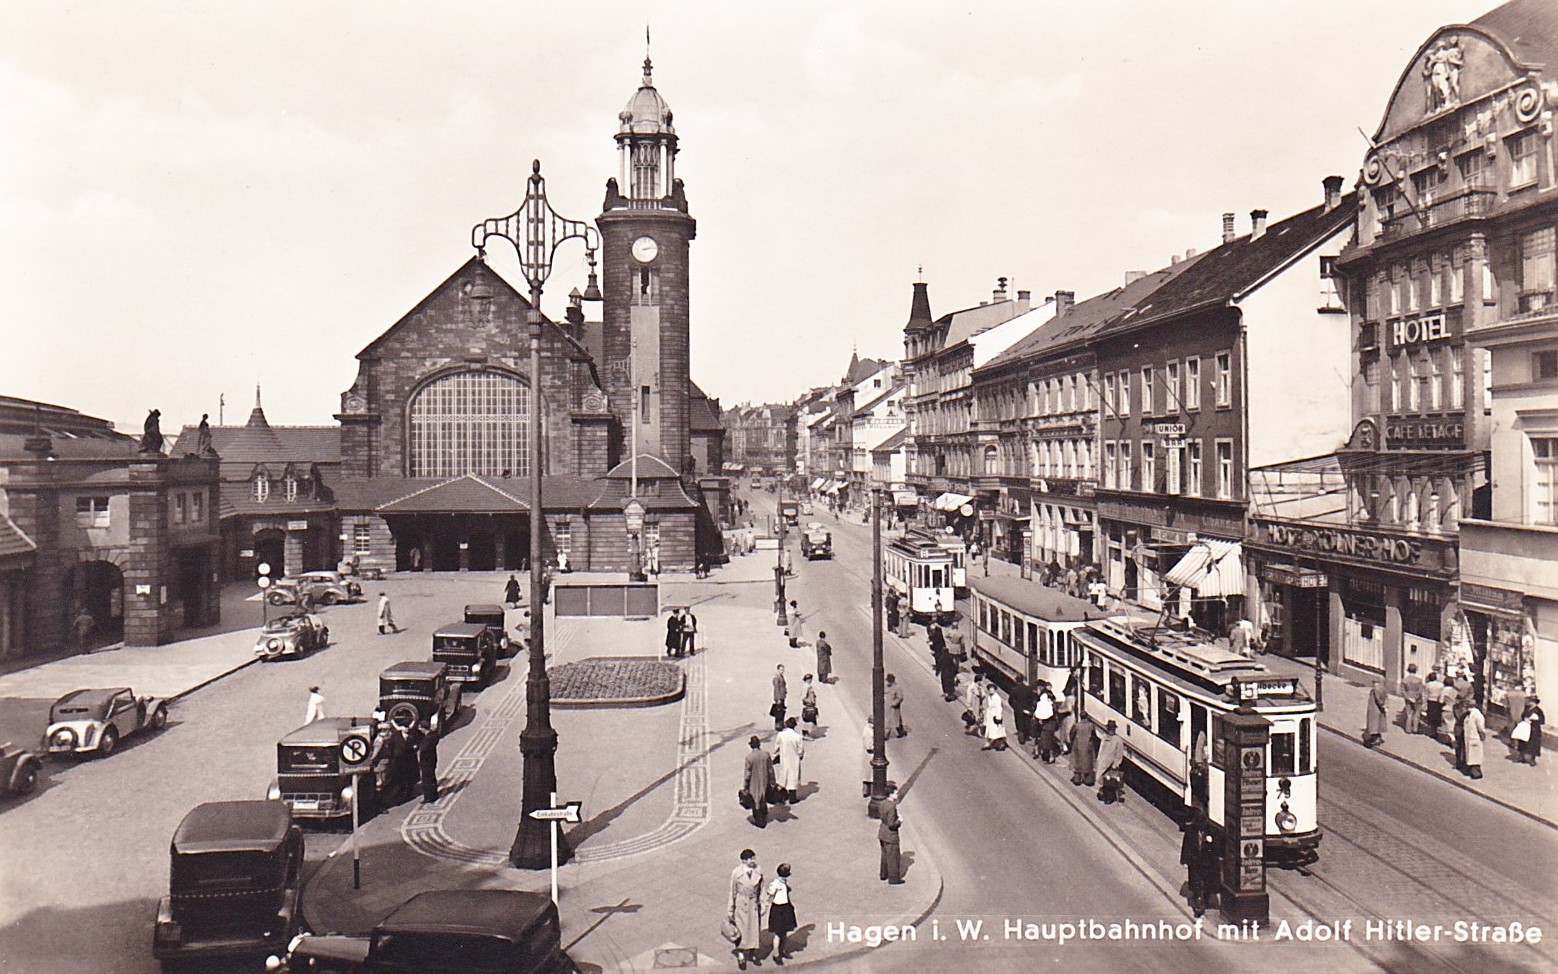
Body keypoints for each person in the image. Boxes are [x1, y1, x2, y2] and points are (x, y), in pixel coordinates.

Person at [1180, 807, 1219, 918]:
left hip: (1206, 862)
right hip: (1194, 862)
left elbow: (1215, 847)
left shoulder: (1210, 831)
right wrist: (1184, 860)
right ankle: (1198, 906)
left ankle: (1204, 900)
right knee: (1196, 883)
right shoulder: (1191, 831)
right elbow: (1186, 845)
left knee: (1206, 882)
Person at [728, 850, 764, 970]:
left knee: (754, 929)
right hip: (741, 904)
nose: (753, 861)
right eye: (750, 859)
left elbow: (761, 889)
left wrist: (763, 904)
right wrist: (730, 909)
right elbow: (732, 891)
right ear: (744, 861)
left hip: (753, 903)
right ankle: (741, 955)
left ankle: (753, 952)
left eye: (754, 858)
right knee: (741, 930)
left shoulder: (758, 870)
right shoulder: (736, 873)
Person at [763, 863, 798, 965]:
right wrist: (765, 905)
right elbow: (770, 894)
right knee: (778, 934)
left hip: (785, 907)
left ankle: (782, 951)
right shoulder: (775, 884)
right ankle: (776, 954)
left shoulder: (783, 882)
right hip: (778, 909)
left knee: (784, 933)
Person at [742, 736, 774, 827]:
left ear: (751, 746)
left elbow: (747, 774)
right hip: (764, 779)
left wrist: (745, 785)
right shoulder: (766, 754)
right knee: (763, 795)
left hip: (753, 781)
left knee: (755, 799)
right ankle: (764, 812)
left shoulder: (749, 757)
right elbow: (770, 770)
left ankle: (760, 820)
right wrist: (772, 781)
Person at [775, 717, 805, 803]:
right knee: (793, 777)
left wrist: (777, 754)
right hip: (794, 759)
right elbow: (800, 750)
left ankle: (782, 796)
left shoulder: (780, 735)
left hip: (784, 757)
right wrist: (800, 755)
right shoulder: (798, 737)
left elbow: (776, 747)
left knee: (784, 775)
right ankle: (793, 797)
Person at [1096, 720, 1126, 804]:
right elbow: (1101, 750)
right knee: (1104, 781)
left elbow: (1119, 753)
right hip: (1103, 763)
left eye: (1111, 729)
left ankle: (1108, 798)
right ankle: (1106, 796)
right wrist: (1099, 760)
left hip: (1111, 765)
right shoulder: (1105, 737)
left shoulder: (1118, 740)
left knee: (1110, 782)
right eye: (1109, 728)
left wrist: (1116, 764)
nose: (1110, 730)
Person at [878, 793, 903, 884]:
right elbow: (891, 824)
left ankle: (883, 874)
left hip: (882, 832)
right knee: (893, 857)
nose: (897, 794)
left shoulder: (883, 803)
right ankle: (894, 878)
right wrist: (899, 821)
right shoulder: (892, 806)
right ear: (891, 794)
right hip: (890, 835)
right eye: (896, 793)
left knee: (884, 855)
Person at [1032, 682, 1058, 762]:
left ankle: (1048, 756)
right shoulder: (1049, 702)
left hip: (1045, 725)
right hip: (1047, 725)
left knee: (1046, 741)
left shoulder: (1041, 702)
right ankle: (1046, 754)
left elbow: (1038, 712)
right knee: (1046, 740)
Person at [417, 720, 441, 803]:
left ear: (424, 728)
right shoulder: (433, 736)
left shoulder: (428, 739)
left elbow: (424, 748)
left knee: (426, 779)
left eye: (420, 728)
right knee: (432, 778)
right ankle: (434, 794)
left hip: (427, 761)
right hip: (432, 760)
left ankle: (429, 797)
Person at [1516, 695, 1544, 766]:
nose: (1528, 702)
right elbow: (1523, 715)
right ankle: (1521, 756)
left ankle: (1532, 759)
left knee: (1533, 744)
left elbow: (1542, 720)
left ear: (1534, 702)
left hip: (1534, 730)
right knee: (1523, 742)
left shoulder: (1538, 711)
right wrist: (1524, 719)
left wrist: (1533, 721)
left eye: (1530, 701)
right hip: (1525, 728)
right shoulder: (1527, 709)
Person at [1070, 718, 1098, 787]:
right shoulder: (1091, 725)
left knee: (1077, 761)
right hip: (1088, 746)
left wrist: (1073, 741)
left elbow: (1071, 734)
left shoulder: (1076, 725)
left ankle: (1077, 779)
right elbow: (1094, 735)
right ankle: (1088, 779)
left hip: (1078, 745)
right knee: (1088, 762)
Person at [1463, 700, 1487, 779]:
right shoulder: (1469, 715)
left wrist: (1482, 736)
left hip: (1475, 739)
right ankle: (1472, 772)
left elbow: (1480, 728)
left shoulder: (1477, 715)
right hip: (1470, 738)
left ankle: (1477, 774)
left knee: (1475, 758)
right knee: (1471, 756)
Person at [1400, 663, 1425, 735]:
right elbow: (1420, 690)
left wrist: (1408, 697)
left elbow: (1402, 691)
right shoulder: (1419, 680)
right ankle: (1415, 728)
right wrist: (1416, 697)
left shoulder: (1405, 680)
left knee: (1409, 714)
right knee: (1417, 714)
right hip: (1417, 699)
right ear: (1416, 670)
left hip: (1408, 698)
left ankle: (1408, 729)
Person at [1009, 680, 1035, 748]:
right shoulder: (1028, 689)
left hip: (1018, 710)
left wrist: (1015, 707)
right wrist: (1030, 708)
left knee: (1020, 723)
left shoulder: (1014, 690)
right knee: (1026, 722)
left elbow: (1010, 700)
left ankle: (1021, 738)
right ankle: (1026, 735)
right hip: (1027, 709)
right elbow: (1032, 699)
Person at [982, 684, 1008, 751]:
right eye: (990, 689)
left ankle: (997, 744)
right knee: (989, 730)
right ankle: (988, 743)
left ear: (995, 690)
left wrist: (998, 717)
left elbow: (999, 708)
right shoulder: (989, 697)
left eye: (992, 689)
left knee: (996, 731)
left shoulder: (997, 698)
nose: (991, 691)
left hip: (995, 716)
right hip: (989, 715)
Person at [1363, 679, 1388, 748]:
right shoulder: (1382, 687)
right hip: (1378, 710)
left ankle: (1375, 740)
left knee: (1374, 725)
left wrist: (1382, 705)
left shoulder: (1376, 689)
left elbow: (1378, 699)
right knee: (1378, 725)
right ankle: (1378, 738)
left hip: (1375, 709)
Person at [1424, 670, 1446, 739]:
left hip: (1430, 701)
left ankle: (1431, 731)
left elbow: (1425, 694)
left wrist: (1424, 703)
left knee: (1430, 716)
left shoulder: (1428, 685)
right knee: (1437, 716)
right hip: (1438, 701)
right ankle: (1435, 730)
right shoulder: (1441, 685)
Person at [1438, 678, 1461, 745]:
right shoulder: (1455, 691)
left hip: (1446, 708)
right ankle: (1452, 739)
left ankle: (1451, 740)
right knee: (1452, 725)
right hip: (1454, 710)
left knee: (1447, 726)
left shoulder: (1444, 691)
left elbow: (1441, 701)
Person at [884, 674, 906, 739]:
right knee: (896, 720)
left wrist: (893, 703)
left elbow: (900, 697)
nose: (887, 682)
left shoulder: (897, 687)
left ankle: (885, 735)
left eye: (888, 681)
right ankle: (900, 732)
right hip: (886, 706)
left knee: (892, 721)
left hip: (893, 707)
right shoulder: (886, 687)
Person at [861, 717, 878, 797]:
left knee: (868, 774)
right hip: (870, 754)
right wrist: (878, 747)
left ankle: (866, 790)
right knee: (870, 775)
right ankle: (870, 791)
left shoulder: (869, 729)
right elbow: (869, 746)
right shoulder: (868, 731)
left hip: (869, 755)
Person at [800, 675, 819, 739]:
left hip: (811, 705)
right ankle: (805, 734)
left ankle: (807, 733)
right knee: (808, 719)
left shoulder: (809, 686)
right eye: (810, 679)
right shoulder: (806, 687)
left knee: (811, 719)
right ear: (807, 679)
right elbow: (803, 697)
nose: (811, 680)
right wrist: (809, 702)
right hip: (809, 705)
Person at [771, 664, 788, 731]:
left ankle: (781, 723)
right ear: (778, 669)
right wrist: (778, 698)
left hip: (782, 696)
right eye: (781, 670)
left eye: (783, 670)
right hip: (779, 697)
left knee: (781, 711)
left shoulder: (781, 676)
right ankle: (778, 725)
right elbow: (776, 689)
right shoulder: (776, 678)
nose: (782, 671)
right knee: (778, 712)